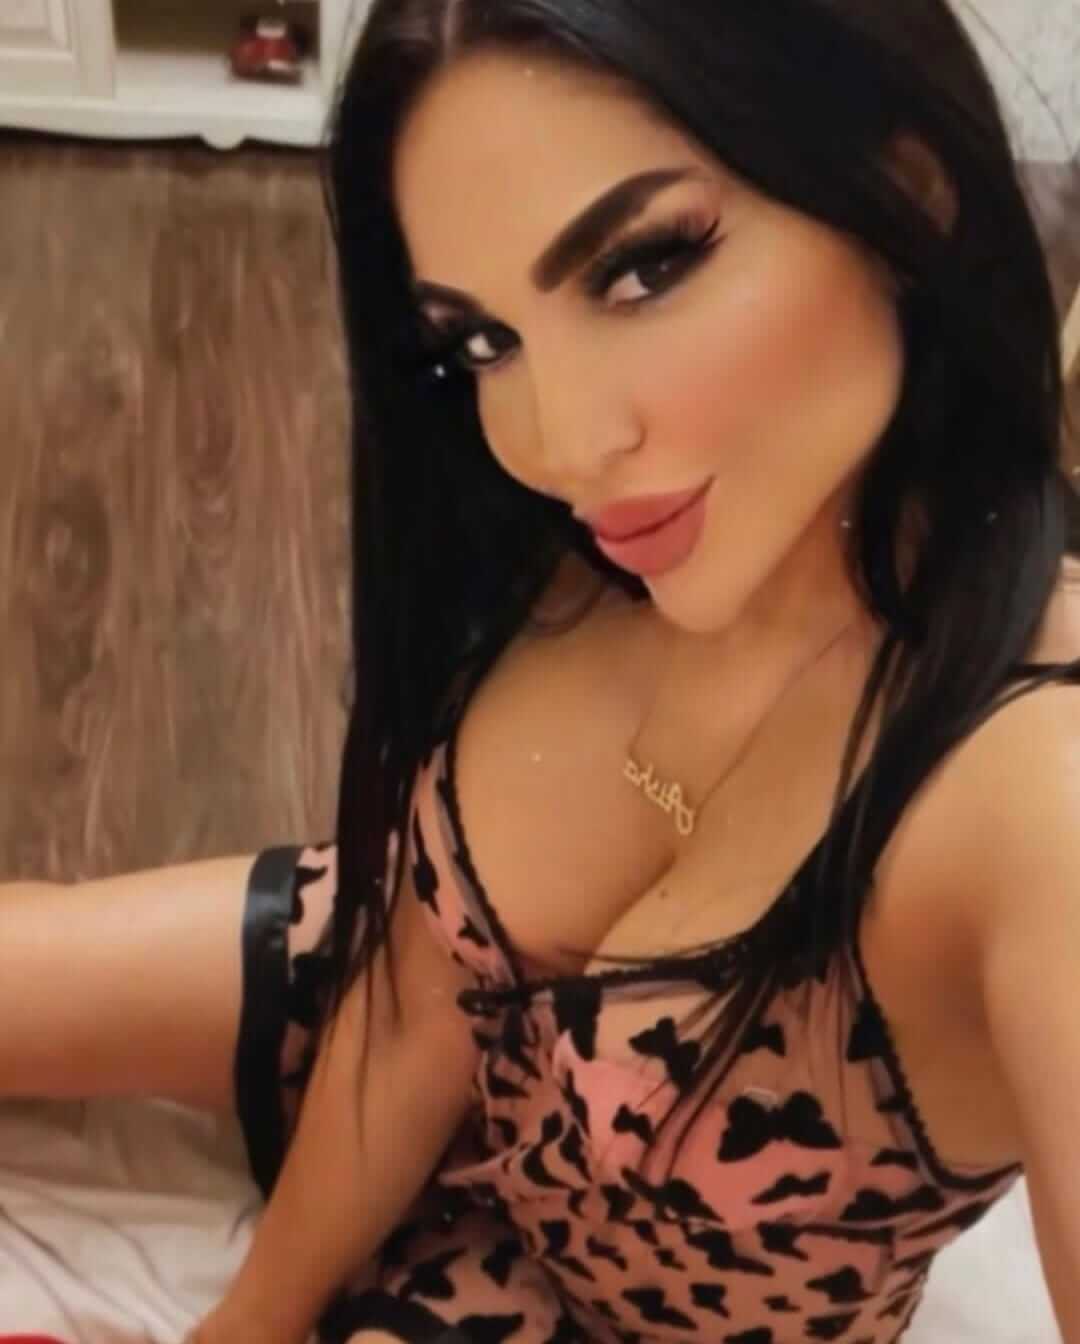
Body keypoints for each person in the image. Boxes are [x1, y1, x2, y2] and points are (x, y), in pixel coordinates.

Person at [4, 0, 1080, 1340]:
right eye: (481, 341)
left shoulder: (1043, 793)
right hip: (376, 1011)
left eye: (642, 269)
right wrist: (246, 1322)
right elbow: (416, 1010)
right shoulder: (586, 543)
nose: (556, 443)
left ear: (907, 185)